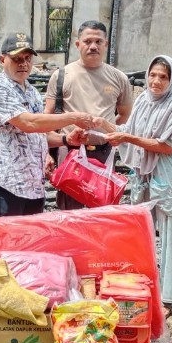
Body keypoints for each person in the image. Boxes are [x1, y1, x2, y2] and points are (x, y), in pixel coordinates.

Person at [100, 55, 172, 307]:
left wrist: (128, 139)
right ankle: (142, 287)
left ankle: (168, 297)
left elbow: (166, 146)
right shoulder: (142, 100)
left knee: (169, 228)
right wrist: (102, 124)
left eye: (163, 77)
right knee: (140, 227)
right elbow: (128, 130)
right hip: (143, 171)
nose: (156, 81)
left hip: (166, 170)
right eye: (152, 75)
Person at [0, 33, 94, 217]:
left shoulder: (31, 91)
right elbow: (28, 123)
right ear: (2, 60)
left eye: (27, 58)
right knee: (10, 236)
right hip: (7, 183)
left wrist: (66, 139)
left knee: (31, 236)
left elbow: (39, 133)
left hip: (33, 185)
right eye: (17, 59)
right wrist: (73, 118)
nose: (23, 64)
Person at [44, 20, 132, 210]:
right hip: (71, 154)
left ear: (106, 44)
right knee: (70, 212)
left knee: (100, 210)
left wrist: (104, 132)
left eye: (98, 41)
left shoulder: (119, 78)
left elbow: (124, 115)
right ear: (78, 44)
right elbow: (47, 117)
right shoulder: (61, 76)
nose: (93, 46)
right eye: (87, 41)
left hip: (103, 152)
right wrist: (47, 152)